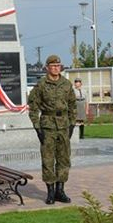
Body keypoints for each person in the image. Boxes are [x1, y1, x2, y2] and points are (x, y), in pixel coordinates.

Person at [28, 55, 76, 205]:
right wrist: (37, 127)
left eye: (58, 65)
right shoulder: (41, 85)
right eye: (53, 65)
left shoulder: (66, 84)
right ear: (47, 67)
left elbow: (72, 105)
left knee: (64, 159)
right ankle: (50, 191)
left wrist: (72, 124)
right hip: (47, 125)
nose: (56, 68)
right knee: (48, 159)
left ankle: (60, 191)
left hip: (63, 125)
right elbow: (33, 107)